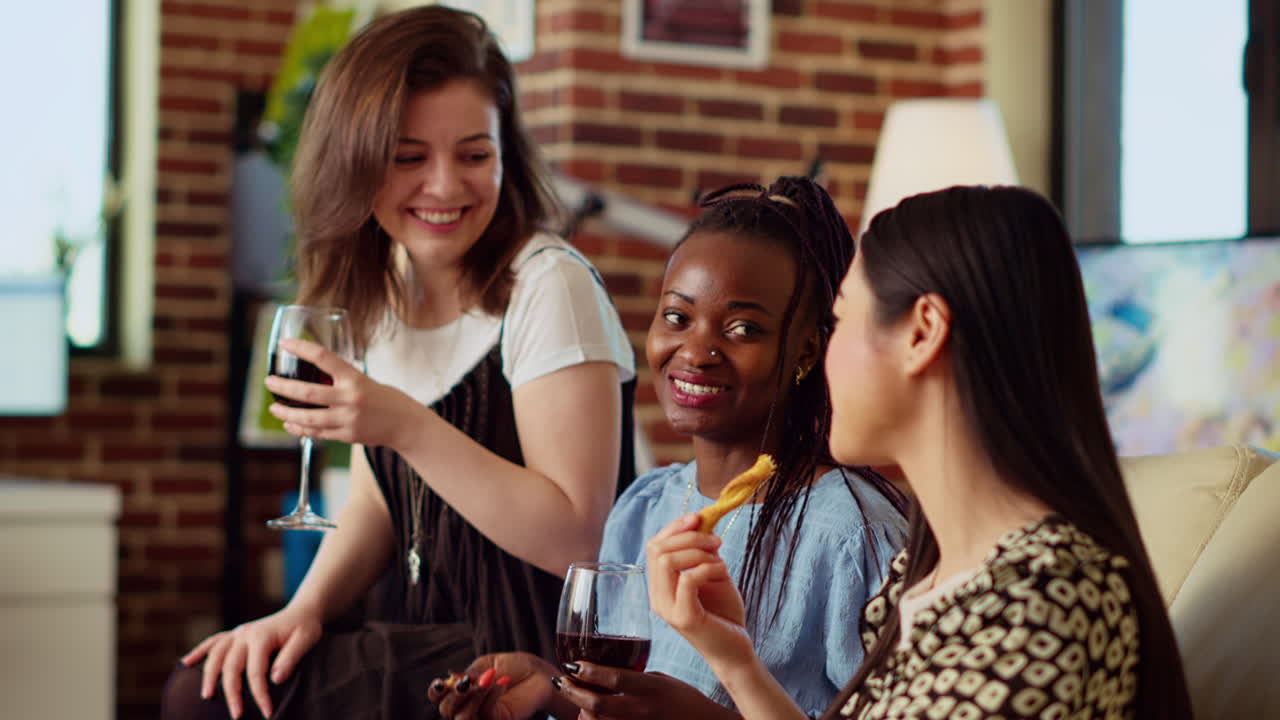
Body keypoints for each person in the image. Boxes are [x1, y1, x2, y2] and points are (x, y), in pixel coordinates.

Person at [160, 7, 636, 720]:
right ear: (354, 163)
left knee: (198, 704)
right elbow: (377, 503)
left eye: (474, 155)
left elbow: (579, 538)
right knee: (211, 683)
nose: (445, 187)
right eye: (409, 158)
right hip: (420, 636)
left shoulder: (549, 286)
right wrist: (301, 611)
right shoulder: (383, 285)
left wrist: (404, 424)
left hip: (527, 657)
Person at [647, 185, 1194, 719]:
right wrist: (734, 659)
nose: (820, 357)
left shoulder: (1039, 604)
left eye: (840, 322)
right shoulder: (925, 574)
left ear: (922, 333)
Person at [428, 176, 910, 720]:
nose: (696, 351)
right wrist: (551, 689)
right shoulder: (645, 506)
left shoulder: (852, 535)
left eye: (742, 329)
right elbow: (629, 703)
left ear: (805, 351)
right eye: (678, 317)